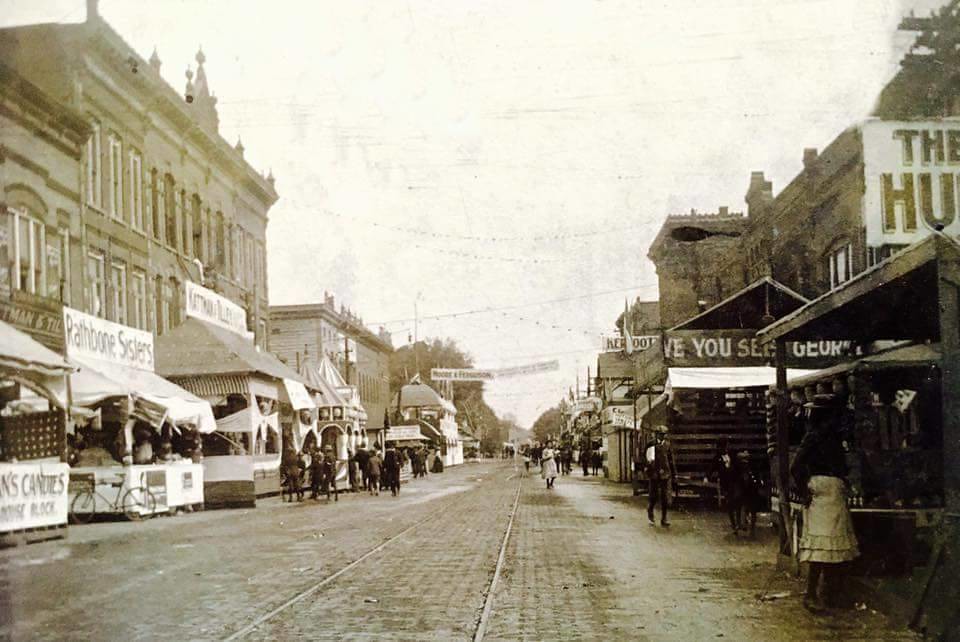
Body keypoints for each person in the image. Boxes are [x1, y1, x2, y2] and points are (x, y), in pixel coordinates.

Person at [790, 391, 859, 612]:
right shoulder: (813, 436)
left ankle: (828, 594)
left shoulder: (835, 438)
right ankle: (811, 594)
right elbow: (795, 467)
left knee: (834, 547)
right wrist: (805, 491)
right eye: (831, 417)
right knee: (821, 547)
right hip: (820, 491)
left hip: (835, 491)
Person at [646, 425, 677, 527]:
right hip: (654, 474)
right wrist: (648, 467)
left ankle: (664, 518)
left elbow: (671, 460)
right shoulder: (651, 444)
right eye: (660, 434)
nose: (662, 436)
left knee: (665, 497)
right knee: (653, 496)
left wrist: (674, 473)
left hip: (665, 474)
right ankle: (650, 514)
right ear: (656, 434)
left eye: (664, 434)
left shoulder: (667, 445)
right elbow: (646, 457)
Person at [713, 438, 742, 533]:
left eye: (726, 446)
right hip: (726, 483)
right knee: (730, 504)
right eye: (724, 447)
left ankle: (738, 522)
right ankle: (734, 525)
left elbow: (738, 467)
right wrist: (707, 476)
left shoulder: (732, 456)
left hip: (735, 482)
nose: (726, 448)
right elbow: (711, 468)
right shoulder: (717, 458)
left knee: (737, 501)